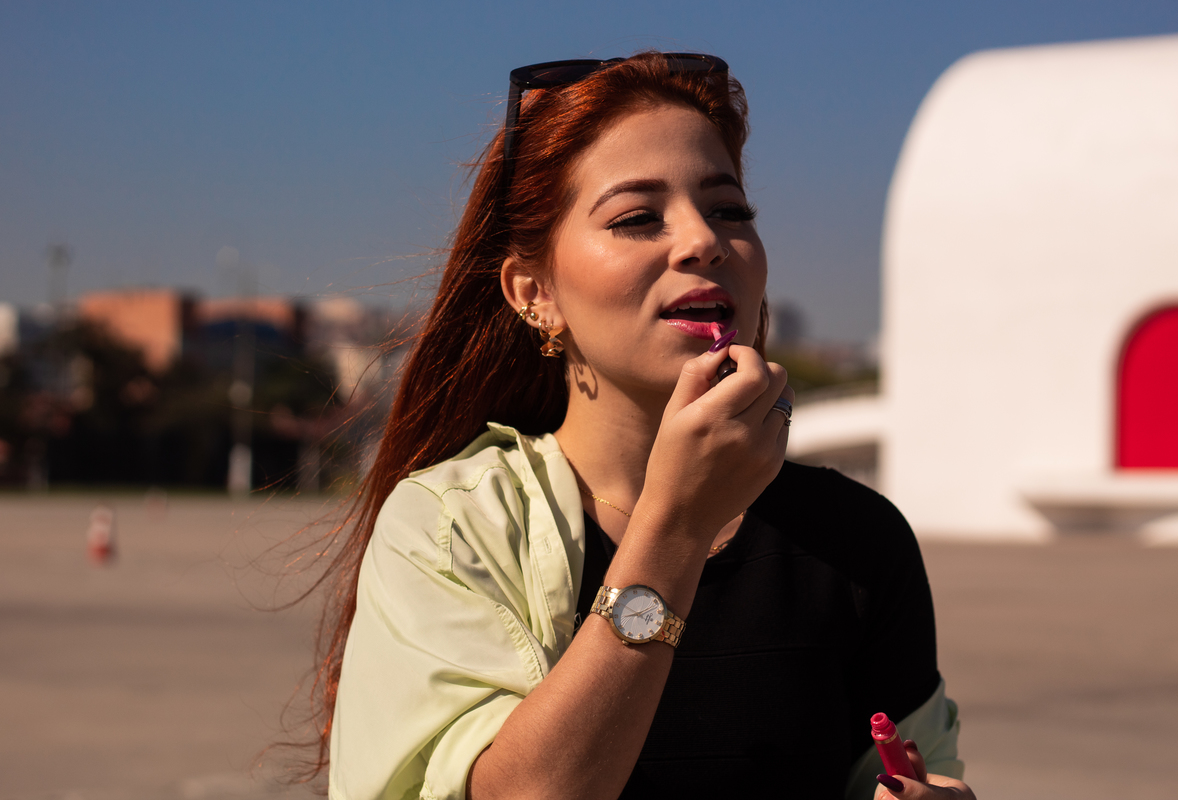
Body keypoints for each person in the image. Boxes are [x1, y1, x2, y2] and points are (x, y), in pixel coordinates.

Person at [315, 51, 974, 800]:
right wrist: (676, 528)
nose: (704, 241)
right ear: (534, 293)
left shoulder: (858, 538)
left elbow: (919, 768)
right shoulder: (452, 526)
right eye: (636, 218)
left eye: (729, 210)